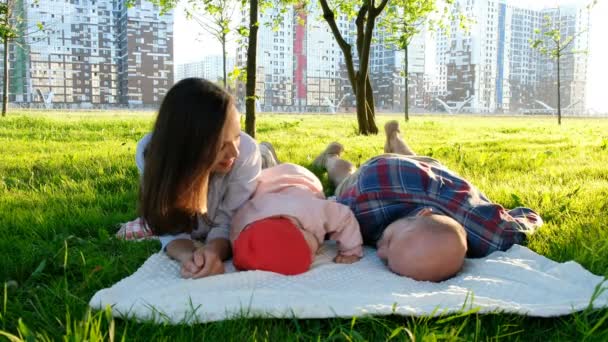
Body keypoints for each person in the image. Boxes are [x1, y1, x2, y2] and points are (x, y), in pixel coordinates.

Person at [312, 120, 543, 282]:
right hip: (380, 175)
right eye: (390, 242)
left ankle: (395, 138)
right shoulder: (361, 203)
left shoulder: (488, 235)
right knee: (343, 177)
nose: (380, 253)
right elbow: (524, 221)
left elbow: (523, 221)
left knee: (417, 159)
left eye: (387, 261)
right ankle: (330, 158)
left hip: (432, 173)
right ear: (420, 215)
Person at [134, 78, 262, 279]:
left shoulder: (245, 153)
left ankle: (327, 160)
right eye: (221, 145)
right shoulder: (152, 156)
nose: (234, 152)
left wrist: (213, 251)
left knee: (269, 162)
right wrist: (189, 256)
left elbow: (230, 221)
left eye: (236, 135)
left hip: (260, 170)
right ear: (188, 148)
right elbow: (166, 223)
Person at [230, 162, 363, 276]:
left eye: (310, 251)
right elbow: (236, 233)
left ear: (301, 230)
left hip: (300, 177)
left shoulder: (313, 212)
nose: (313, 257)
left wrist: (350, 250)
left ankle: (266, 154)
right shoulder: (246, 220)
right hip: (265, 182)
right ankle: (266, 154)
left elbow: (345, 216)